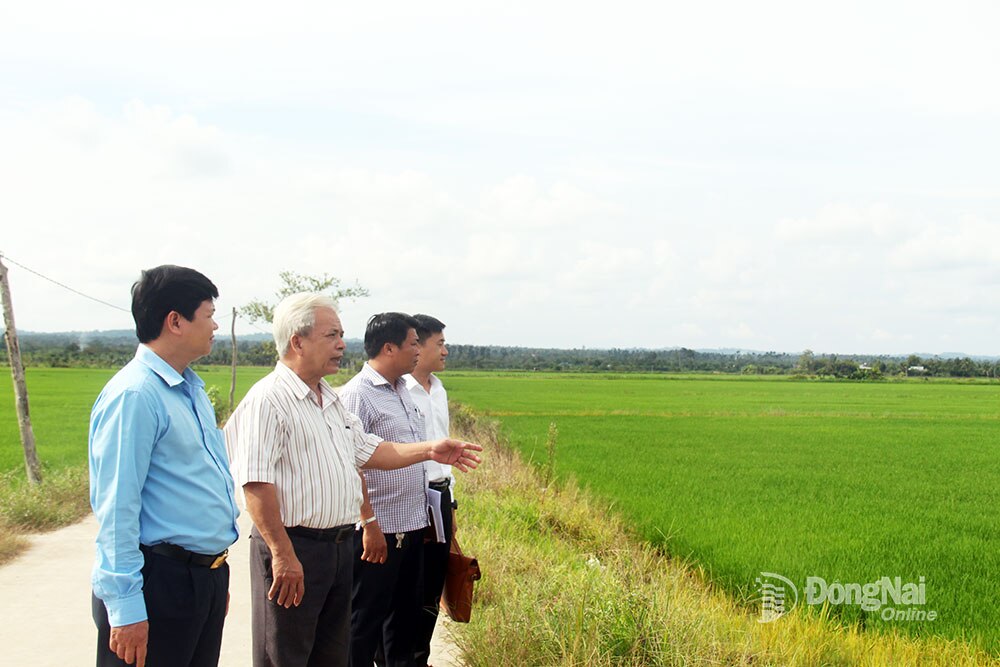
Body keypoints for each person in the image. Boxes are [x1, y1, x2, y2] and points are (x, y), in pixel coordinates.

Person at [224, 294, 481, 667]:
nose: (343, 344)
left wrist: (430, 450)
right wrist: (282, 554)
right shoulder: (270, 399)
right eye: (332, 335)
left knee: (331, 653)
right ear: (298, 341)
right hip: (296, 547)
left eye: (341, 334)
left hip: (337, 547)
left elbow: (371, 451)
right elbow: (255, 485)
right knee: (287, 655)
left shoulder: (329, 397)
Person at [89, 265, 239, 667]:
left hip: (198, 578)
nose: (215, 327)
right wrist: (126, 608)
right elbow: (117, 508)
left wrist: (211, 572)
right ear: (175, 321)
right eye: (208, 316)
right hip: (159, 581)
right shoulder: (135, 395)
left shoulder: (190, 389)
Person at [339, 312, 427, 667]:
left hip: (411, 525)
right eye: (413, 343)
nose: (418, 350)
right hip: (378, 533)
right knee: (363, 624)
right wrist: (369, 523)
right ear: (389, 348)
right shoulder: (358, 395)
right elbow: (351, 463)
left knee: (404, 625)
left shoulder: (404, 390)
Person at [403, 315, 453, 667]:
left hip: (441, 497)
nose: (445, 351)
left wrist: (452, 505)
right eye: (440, 344)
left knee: (432, 588)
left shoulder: (439, 389)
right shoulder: (399, 390)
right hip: (411, 500)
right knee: (405, 588)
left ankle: (420, 657)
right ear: (417, 347)